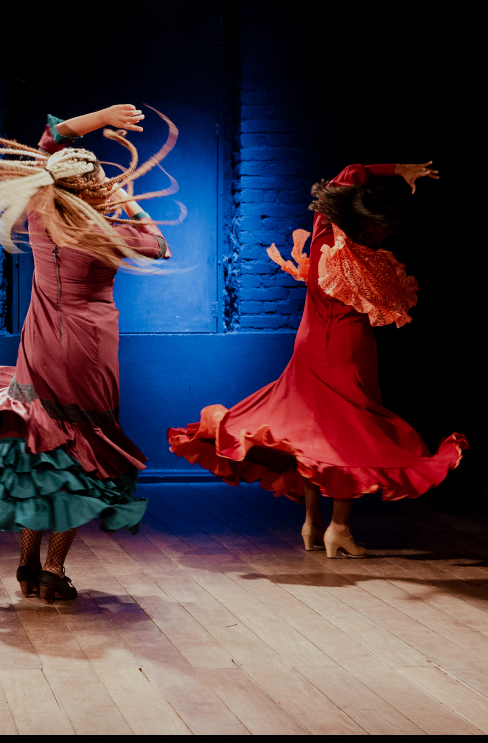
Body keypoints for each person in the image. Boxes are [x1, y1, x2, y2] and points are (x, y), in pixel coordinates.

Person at [0, 104, 176, 602]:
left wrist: (97, 118)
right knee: (78, 457)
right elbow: (159, 244)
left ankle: (26, 566)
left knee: (37, 449)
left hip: (41, 342)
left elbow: (49, 140)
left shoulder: (42, 214)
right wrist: (128, 201)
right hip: (87, 346)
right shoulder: (104, 230)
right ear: (94, 191)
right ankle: (53, 569)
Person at [168, 161, 466, 558]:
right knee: (349, 435)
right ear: (362, 225)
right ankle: (338, 528)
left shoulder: (325, 238)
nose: (384, 233)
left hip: (311, 345)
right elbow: (351, 173)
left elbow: (349, 175)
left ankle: (312, 525)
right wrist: (397, 169)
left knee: (314, 439)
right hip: (345, 349)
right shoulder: (349, 251)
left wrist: (396, 170)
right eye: (379, 226)